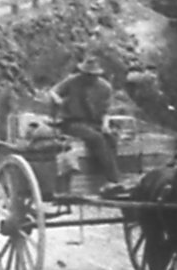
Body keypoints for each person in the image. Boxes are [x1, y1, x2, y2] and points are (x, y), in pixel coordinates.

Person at [49, 55, 122, 194]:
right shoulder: (72, 81)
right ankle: (113, 179)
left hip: (94, 122)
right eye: (87, 74)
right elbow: (53, 91)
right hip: (72, 123)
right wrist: (58, 99)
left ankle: (107, 178)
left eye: (93, 75)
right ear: (82, 73)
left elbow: (107, 110)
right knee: (96, 138)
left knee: (110, 138)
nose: (89, 78)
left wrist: (105, 125)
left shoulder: (104, 87)